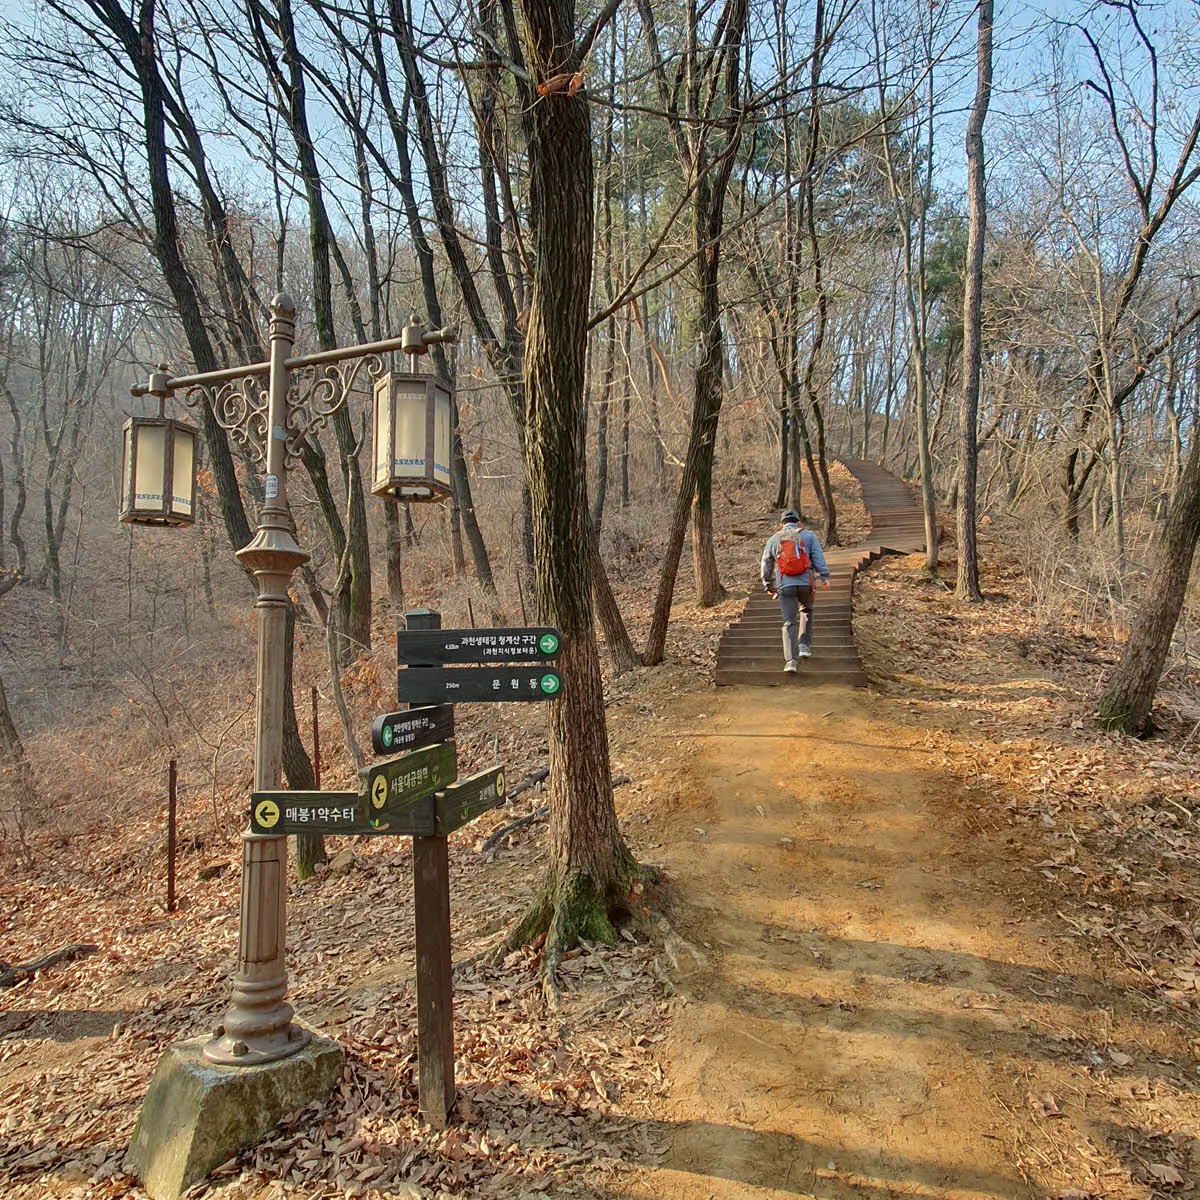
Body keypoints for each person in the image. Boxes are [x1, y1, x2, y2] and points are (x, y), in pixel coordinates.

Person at [760, 509, 831, 673]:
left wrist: (768, 585)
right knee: (806, 611)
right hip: (806, 583)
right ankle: (804, 646)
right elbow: (818, 557)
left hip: (785, 585)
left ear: (781, 524)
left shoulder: (773, 539)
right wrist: (825, 577)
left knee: (789, 621)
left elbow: (766, 563)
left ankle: (791, 661)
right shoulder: (808, 536)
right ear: (798, 522)